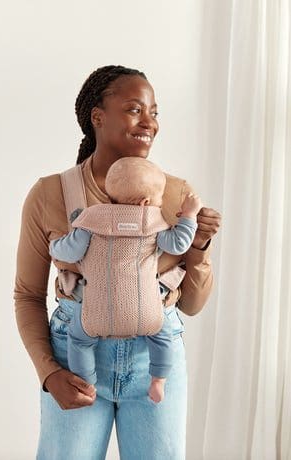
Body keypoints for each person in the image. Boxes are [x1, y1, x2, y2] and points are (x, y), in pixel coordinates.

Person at [14, 64, 221, 459]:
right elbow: (26, 294)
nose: (150, 122)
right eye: (135, 109)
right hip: (74, 357)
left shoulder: (177, 195)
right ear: (97, 117)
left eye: (155, 112)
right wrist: (48, 373)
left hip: (155, 360)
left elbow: (192, 305)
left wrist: (201, 246)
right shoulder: (49, 195)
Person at [49, 156, 202, 404]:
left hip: (96, 314)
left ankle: (87, 384)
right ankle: (158, 380)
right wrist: (189, 217)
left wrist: (55, 245)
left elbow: (69, 251)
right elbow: (179, 245)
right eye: (160, 198)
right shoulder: (154, 225)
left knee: (78, 340)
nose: (161, 203)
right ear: (145, 203)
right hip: (146, 313)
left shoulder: (90, 221)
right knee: (163, 335)